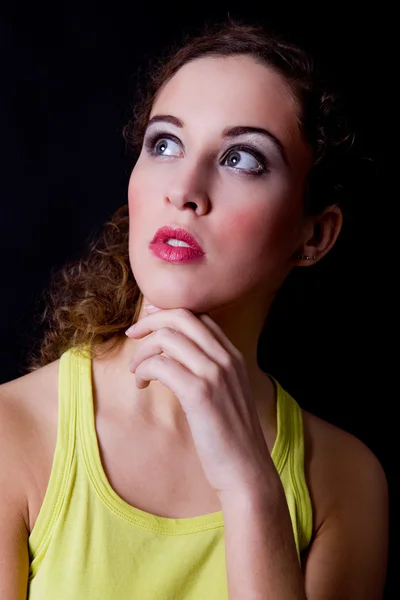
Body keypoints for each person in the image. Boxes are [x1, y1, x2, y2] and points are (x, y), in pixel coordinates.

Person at [0, 17, 388, 600]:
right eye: (165, 143)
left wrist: (250, 486)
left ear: (314, 236)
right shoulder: (13, 434)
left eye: (242, 159)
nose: (184, 187)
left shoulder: (345, 481)